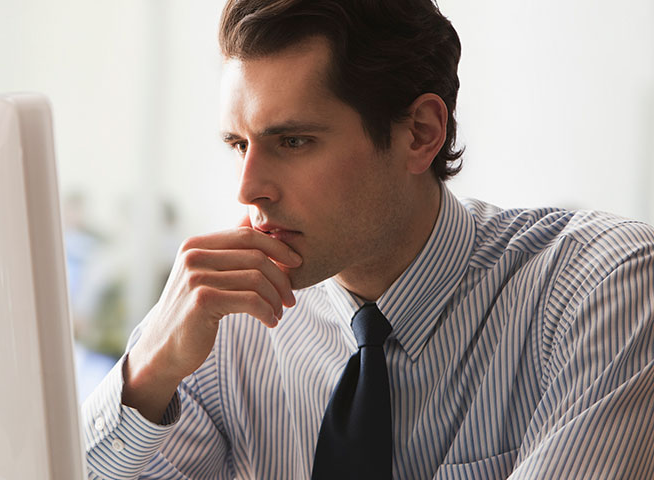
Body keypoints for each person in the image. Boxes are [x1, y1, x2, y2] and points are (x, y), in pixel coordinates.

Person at [82, 0, 654, 478]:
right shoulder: (225, 325)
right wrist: (147, 372)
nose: (248, 190)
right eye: (238, 144)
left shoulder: (601, 287)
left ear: (420, 133)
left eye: (294, 142)